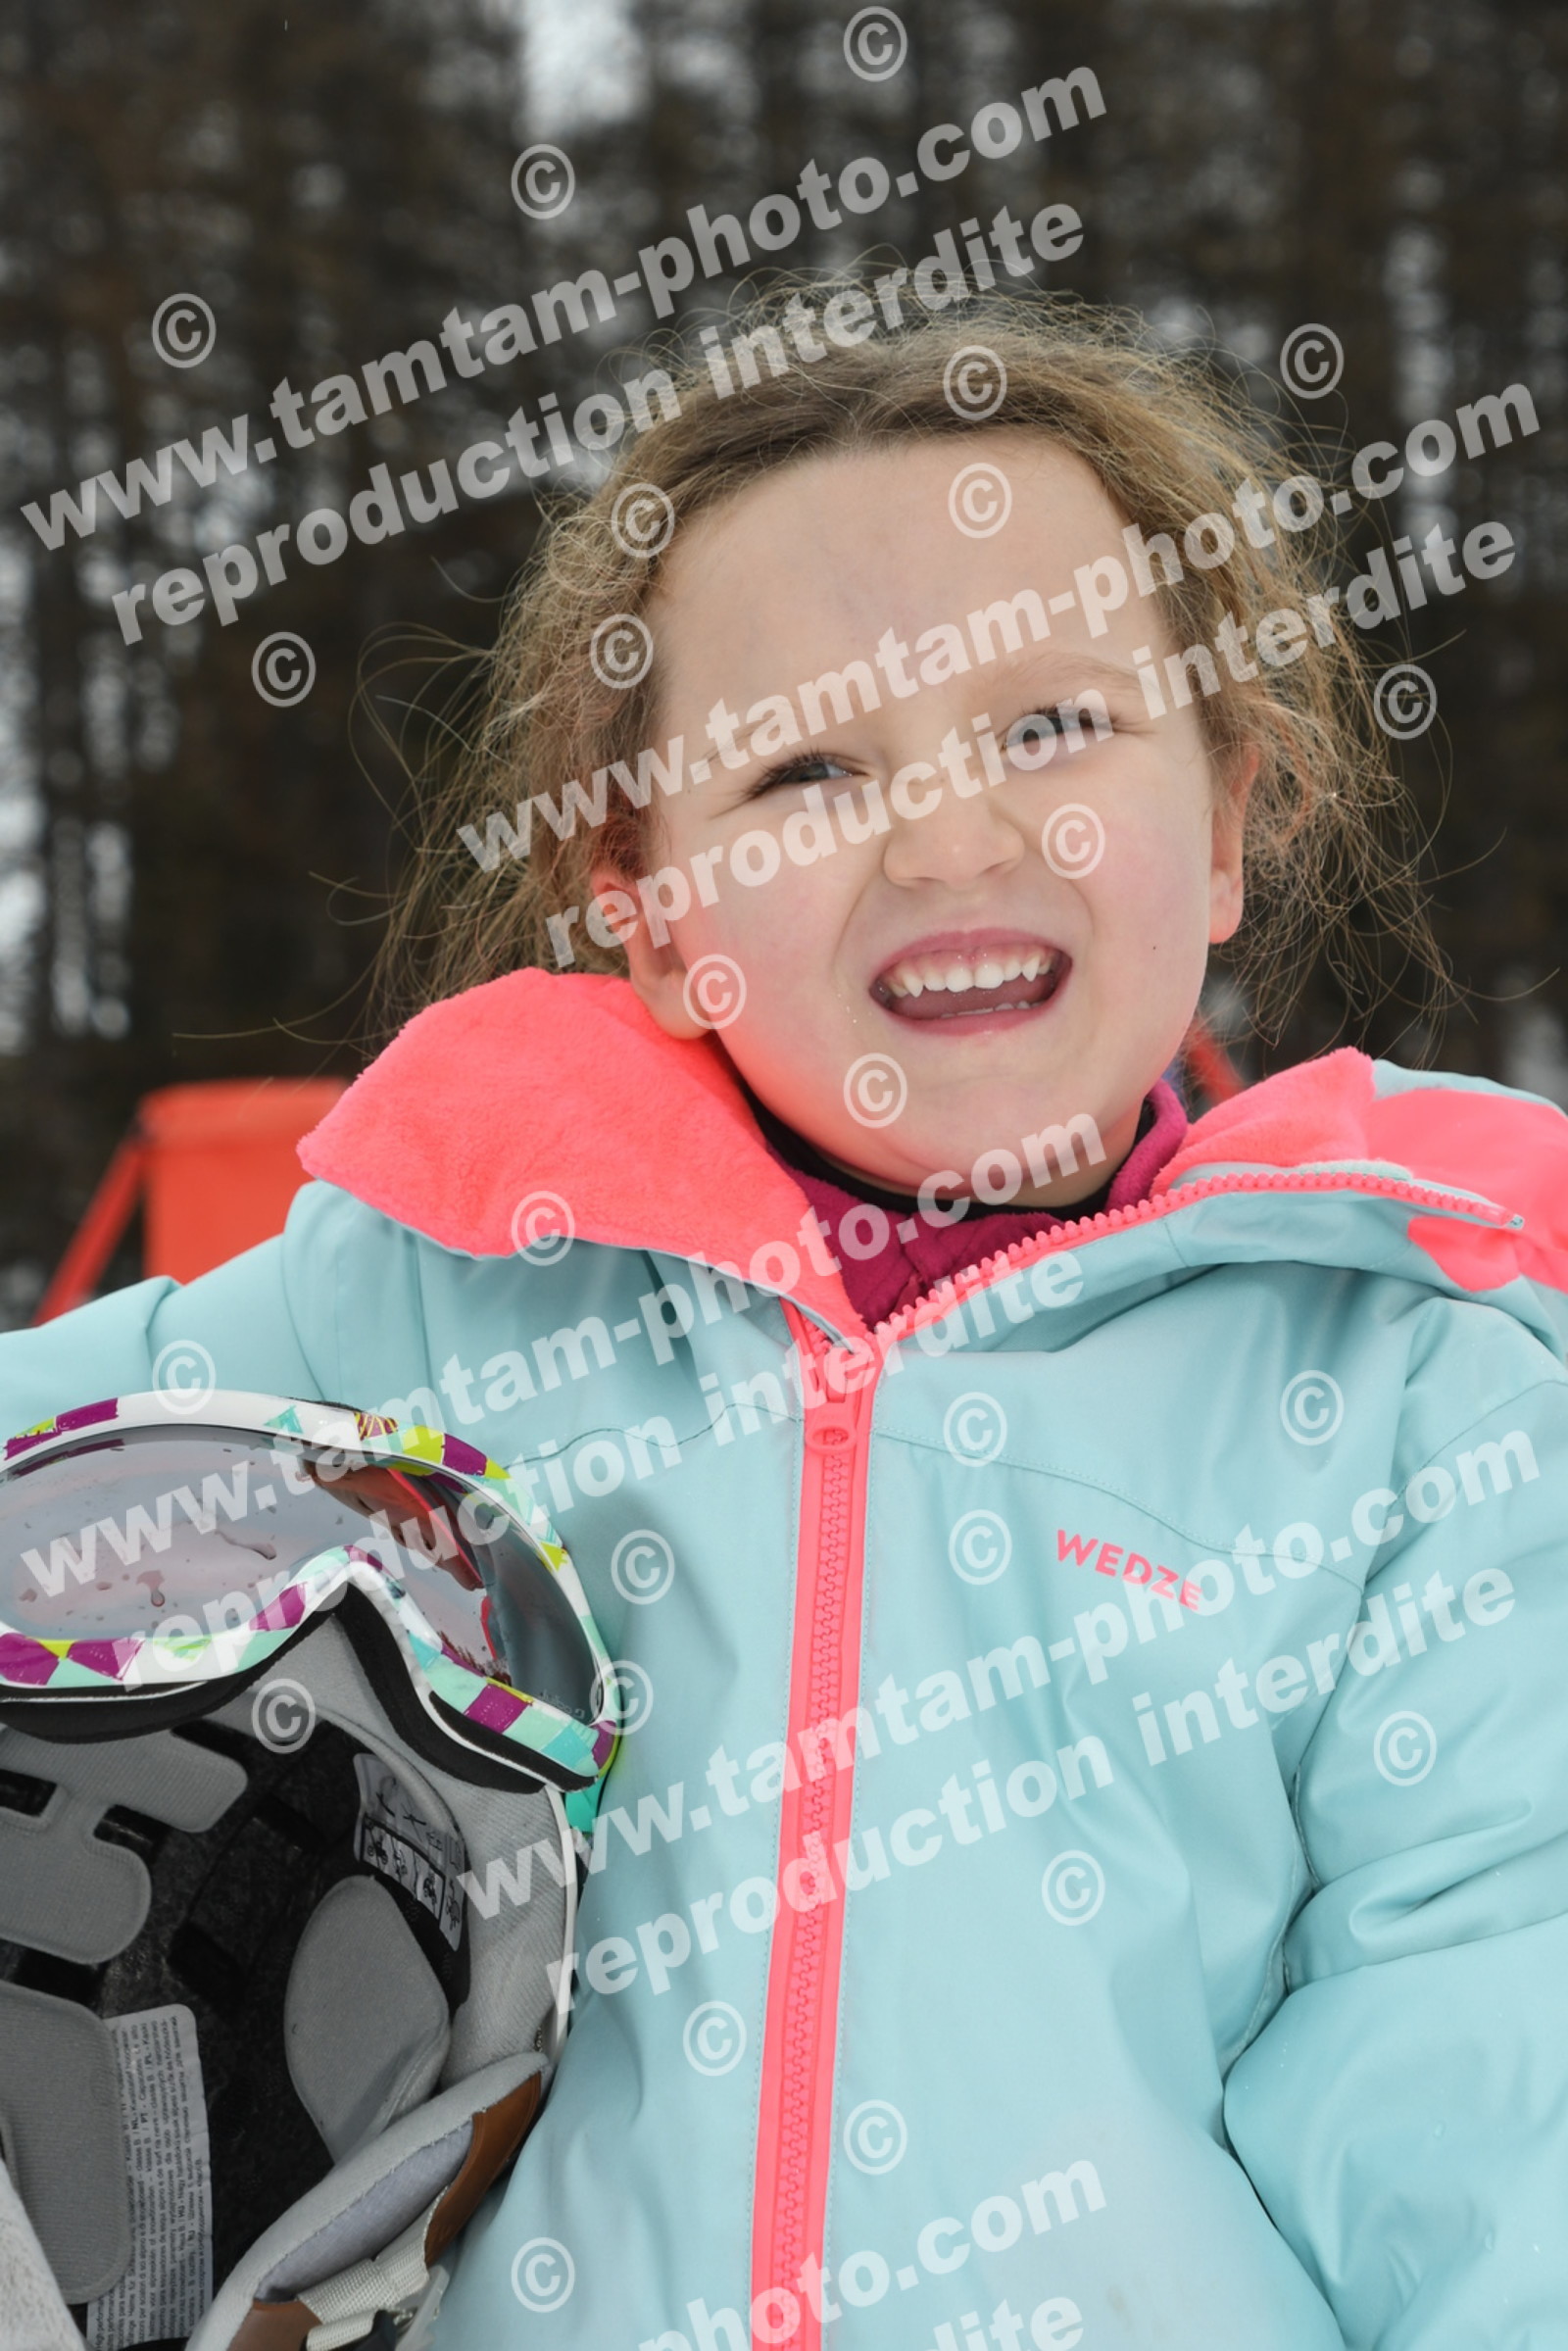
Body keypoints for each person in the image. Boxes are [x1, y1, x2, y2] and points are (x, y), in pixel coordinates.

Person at [7, 286, 1568, 2350]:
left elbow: (1481, 2096)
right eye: (808, 768)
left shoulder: (1397, 1404)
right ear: (651, 907)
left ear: (1230, 819)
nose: (949, 836)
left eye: (1050, 726)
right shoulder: (447, 1288)